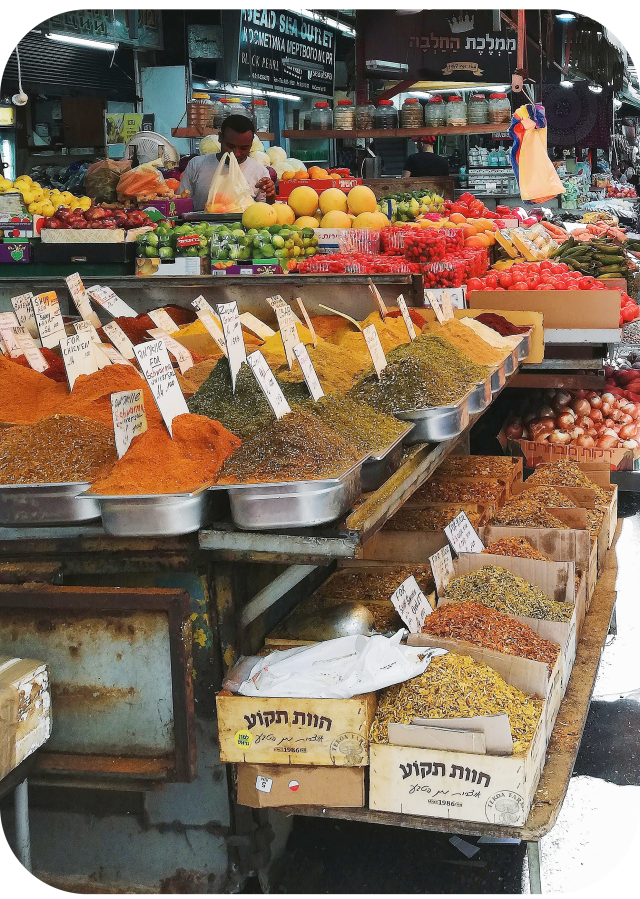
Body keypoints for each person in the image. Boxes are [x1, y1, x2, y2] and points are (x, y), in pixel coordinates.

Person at [180, 115, 276, 210]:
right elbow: (181, 202)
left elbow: (265, 213)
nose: (236, 153)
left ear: (251, 144)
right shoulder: (197, 165)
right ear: (220, 138)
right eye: (230, 146)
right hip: (201, 225)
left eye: (244, 148)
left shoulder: (259, 172)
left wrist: (270, 196)